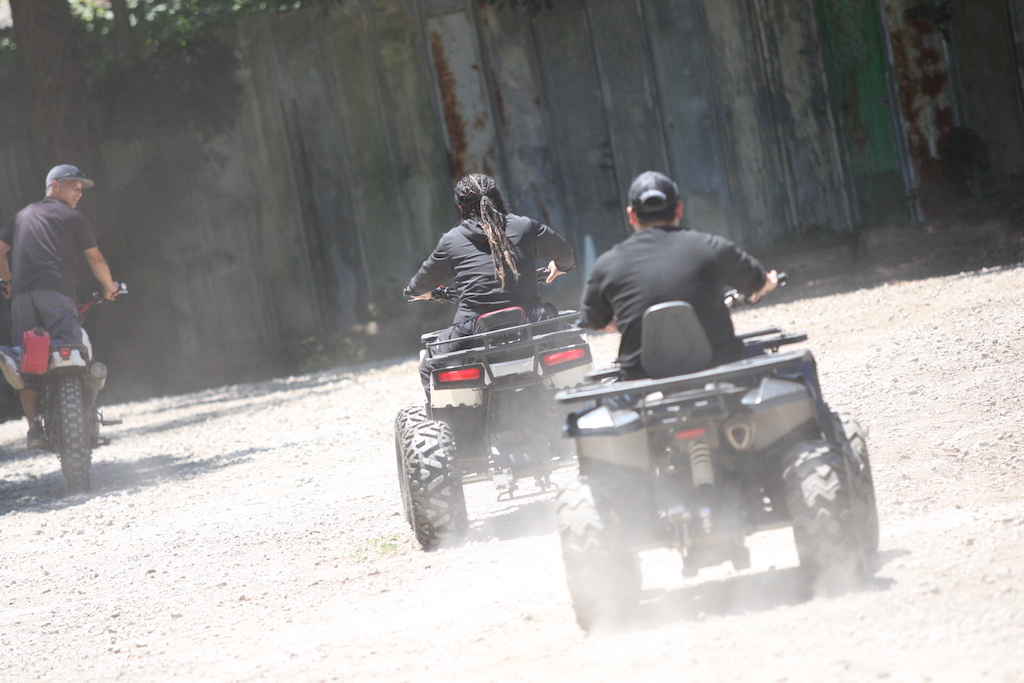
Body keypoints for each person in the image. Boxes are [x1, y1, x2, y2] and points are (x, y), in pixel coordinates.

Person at [580, 171, 778, 379]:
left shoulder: (607, 265)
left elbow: (595, 320)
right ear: (679, 209)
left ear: (631, 215)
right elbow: (759, 282)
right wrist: (768, 282)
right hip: (721, 374)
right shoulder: (713, 248)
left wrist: (612, 322)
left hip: (643, 383)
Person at [404, 173, 575, 393]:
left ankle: (455, 416)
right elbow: (566, 256)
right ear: (498, 199)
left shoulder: (452, 240)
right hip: (531, 321)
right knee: (572, 341)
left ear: (460, 208)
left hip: (473, 333)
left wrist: (425, 292)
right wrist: (559, 267)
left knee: (429, 366)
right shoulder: (525, 226)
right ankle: (577, 403)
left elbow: (418, 286)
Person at [0, 164, 120, 449]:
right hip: (56, 295)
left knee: (29, 361)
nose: (79, 192)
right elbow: (96, 259)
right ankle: (82, 415)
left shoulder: (23, 215)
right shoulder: (73, 217)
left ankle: (34, 429)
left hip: (22, 299)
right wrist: (109, 287)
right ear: (54, 186)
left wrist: (7, 282)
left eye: (80, 188)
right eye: (73, 185)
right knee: (72, 352)